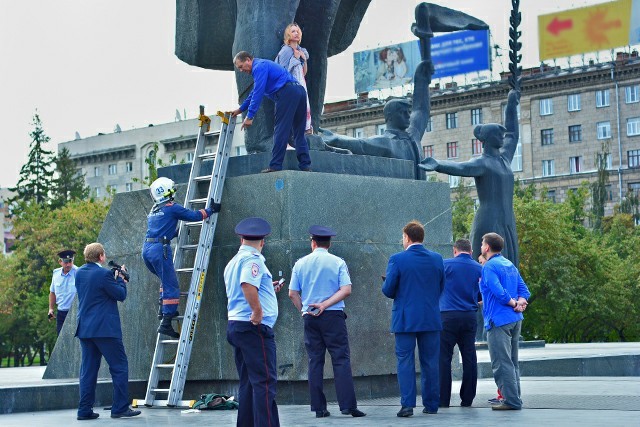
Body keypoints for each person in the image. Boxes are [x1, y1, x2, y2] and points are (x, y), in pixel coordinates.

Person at [419, 89, 521, 267]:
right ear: (488, 139)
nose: (502, 137)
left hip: (507, 220)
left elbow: (513, 134)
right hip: (489, 219)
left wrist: (511, 104)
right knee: (486, 265)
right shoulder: (482, 163)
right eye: (498, 134)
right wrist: (438, 164)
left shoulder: (504, 159)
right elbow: (460, 167)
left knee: (510, 262)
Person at [288, 225, 366, 419]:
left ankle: (319, 408)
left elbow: (292, 293)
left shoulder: (300, 263)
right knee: (340, 359)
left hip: (310, 317)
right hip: (333, 317)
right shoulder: (338, 262)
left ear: (313, 243)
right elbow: (346, 289)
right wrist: (325, 304)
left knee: (315, 361)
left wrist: (305, 310)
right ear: (329, 243)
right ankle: (348, 406)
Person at [224, 217, 284, 427]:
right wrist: (258, 310)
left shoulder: (234, 261)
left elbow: (249, 286)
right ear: (263, 241)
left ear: (241, 239)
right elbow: (247, 285)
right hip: (253, 328)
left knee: (249, 383)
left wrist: (268, 289)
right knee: (265, 383)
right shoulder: (253, 260)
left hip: (237, 326)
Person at [382, 220, 444, 417]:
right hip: (430, 318)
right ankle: (432, 405)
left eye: (403, 237)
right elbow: (440, 287)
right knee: (430, 362)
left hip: (405, 319)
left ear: (407, 238)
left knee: (405, 361)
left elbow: (389, 290)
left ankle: (407, 405)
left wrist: (388, 283)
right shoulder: (437, 259)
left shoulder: (397, 259)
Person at [142, 177, 215, 338]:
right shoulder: (171, 208)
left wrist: (174, 233)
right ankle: (166, 323)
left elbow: (161, 229)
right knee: (172, 285)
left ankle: (164, 311)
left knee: (165, 280)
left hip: (147, 249)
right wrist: (211, 210)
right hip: (160, 250)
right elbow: (195, 216)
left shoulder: (154, 210)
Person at [75, 243, 140, 420]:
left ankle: (84, 410)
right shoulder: (104, 274)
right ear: (101, 256)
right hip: (105, 330)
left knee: (88, 371)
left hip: (86, 330)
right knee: (119, 367)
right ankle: (119, 408)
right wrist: (120, 279)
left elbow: (96, 290)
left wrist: (113, 278)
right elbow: (120, 295)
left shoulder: (79, 273)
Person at [231, 51, 312, 173]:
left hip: (287, 93)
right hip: (299, 91)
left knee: (280, 130)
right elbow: (254, 93)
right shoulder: (263, 66)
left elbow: (258, 93)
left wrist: (250, 116)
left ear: (248, 60)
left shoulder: (258, 67)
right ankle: (305, 165)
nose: (241, 70)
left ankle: (275, 165)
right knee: (298, 132)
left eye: (241, 67)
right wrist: (240, 109)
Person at [479, 232, 530, 411]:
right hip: (515, 319)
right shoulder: (509, 264)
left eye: (481, 244)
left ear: (486, 247)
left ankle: (511, 401)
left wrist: (513, 302)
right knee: (512, 362)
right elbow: (524, 289)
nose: (480, 247)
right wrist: (521, 302)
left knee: (501, 363)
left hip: (499, 320)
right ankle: (515, 397)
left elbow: (498, 291)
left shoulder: (489, 266)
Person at [439, 239, 482, 408]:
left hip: (446, 316)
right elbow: (481, 296)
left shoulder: (445, 265)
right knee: (469, 357)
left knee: (443, 358)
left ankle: (443, 399)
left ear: (454, 251)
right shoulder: (480, 268)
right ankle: (467, 398)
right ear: (471, 252)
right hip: (469, 316)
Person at [275, 23, 312, 134]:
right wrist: (295, 58)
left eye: (297, 31)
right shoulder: (286, 51)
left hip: (300, 83)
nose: (296, 33)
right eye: (293, 31)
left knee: (303, 110)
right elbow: (283, 72)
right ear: (288, 35)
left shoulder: (301, 50)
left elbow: (303, 72)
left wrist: (303, 59)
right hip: (290, 86)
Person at [48, 249, 78, 336]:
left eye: (70, 261)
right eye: (65, 262)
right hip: (61, 312)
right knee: (61, 339)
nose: (68, 264)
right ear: (60, 261)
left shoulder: (79, 272)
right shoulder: (56, 273)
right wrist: (51, 309)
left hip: (75, 312)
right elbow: (52, 292)